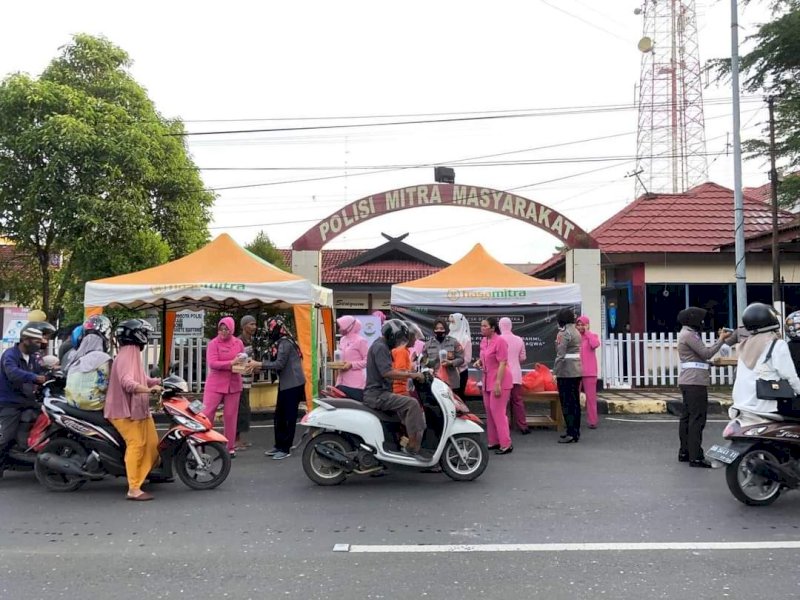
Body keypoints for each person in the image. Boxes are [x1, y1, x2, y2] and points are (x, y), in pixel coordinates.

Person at [104, 319, 161, 501]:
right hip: (123, 410)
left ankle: (143, 475)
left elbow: (141, 377)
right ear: (137, 334)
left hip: (137, 408)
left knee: (152, 443)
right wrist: (148, 389)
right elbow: (128, 383)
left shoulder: (132, 353)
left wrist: (159, 382)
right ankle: (133, 488)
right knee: (137, 444)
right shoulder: (127, 354)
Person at [676, 306, 731, 468]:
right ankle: (696, 456)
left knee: (687, 417)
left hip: (689, 380)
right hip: (695, 382)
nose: (702, 322)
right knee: (697, 419)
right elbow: (706, 353)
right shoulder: (689, 335)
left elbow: (698, 358)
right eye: (700, 319)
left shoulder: (686, 333)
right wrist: (721, 339)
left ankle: (685, 452)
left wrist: (711, 364)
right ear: (693, 320)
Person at [363, 319, 427, 455]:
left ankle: (401, 441)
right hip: (378, 395)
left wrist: (409, 374)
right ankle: (413, 445)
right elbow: (387, 373)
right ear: (391, 336)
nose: (399, 343)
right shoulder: (380, 347)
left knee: (405, 408)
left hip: (381, 392)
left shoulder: (381, 346)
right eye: (399, 339)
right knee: (412, 404)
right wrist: (413, 375)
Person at [251, 316, 306, 461]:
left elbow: (279, 364)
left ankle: (285, 447)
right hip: (287, 383)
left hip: (292, 384)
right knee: (279, 416)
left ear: (276, 328)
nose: (269, 331)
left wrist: (259, 364)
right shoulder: (282, 341)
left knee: (288, 417)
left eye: (270, 328)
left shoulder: (285, 343)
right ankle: (279, 445)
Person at [732, 303, 800, 417]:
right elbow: (789, 376)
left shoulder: (744, 345)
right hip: (764, 405)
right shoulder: (777, 344)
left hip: (740, 405)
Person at [0, 326, 46, 476]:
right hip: (10, 402)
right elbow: (13, 373)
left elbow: (40, 372)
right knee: (7, 436)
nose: (39, 344)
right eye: (36, 341)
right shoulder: (10, 355)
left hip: (27, 400)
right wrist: (34, 378)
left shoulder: (33, 357)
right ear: (26, 340)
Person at [202, 317, 245, 458]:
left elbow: (242, 360)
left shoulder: (238, 343)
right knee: (207, 414)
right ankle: (202, 442)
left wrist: (244, 365)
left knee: (230, 416)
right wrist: (231, 363)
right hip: (215, 383)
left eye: (226, 329)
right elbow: (213, 363)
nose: (223, 332)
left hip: (234, 383)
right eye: (221, 329)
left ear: (232, 329)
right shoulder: (213, 344)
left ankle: (230, 447)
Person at [475, 317, 513, 454]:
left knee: (498, 412)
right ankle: (494, 441)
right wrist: (479, 362)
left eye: (485, 326)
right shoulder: (484, 341)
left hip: (500, 380)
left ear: (492, 328)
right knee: (489, 412)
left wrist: (498, 382)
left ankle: (506, 443)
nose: (482, 328)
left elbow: (503, 362)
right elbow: (485, 357)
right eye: (481, 325)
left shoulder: (500, 341)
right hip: (486, 380)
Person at [65, 315, 113, 411]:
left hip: (72, 403)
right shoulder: (103, 358)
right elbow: (104, 386)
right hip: (93, 405)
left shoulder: (74, 356)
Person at [554, 308, 582, 444]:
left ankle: (571, 432)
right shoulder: (575, 331)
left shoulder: (563, 333)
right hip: (577, 370)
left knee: (567, 403)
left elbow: (560, 355)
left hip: (566, 371)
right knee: (575, 402)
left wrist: (555, 372)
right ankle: (575, 430)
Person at [499, 317, 530, 435]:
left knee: (502, 402)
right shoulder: (519, 339)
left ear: (501, 326)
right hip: (516, 374)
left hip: (502, 374)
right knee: (517, 400)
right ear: (511, 326)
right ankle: (523, 426)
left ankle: (504, 426)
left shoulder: (498, 339)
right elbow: (523, 358)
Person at [421, 319, 464, 391]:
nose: (439, 330)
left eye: (441, 328)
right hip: (435, 380)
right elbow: (423, 360)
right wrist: (428, 369)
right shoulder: (428, 344)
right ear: (434, 330)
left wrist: (451, 362)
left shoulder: (453, 342)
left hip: (451, 380)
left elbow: (461, 359)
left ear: (445, 329)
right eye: (437, 328)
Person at [235, 315, 257, 451]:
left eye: (255, 324)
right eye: (251, 324)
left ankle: (238, 438)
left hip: (248, 379)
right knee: (241, 409)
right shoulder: (238, 341)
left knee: (245, 409)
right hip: (239, 380)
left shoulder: (252, 340)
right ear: (244, 326)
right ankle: (235, 440)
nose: (254, 327)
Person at [575, 315, 601, 429]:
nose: (580, 327)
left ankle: (592, 421)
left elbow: (595, 344)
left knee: (591, 398)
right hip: (575, 371)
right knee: (574, 398)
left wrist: (588, 332)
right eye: (578, 324)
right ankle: (574, 421)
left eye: (583, 324)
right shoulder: (575, 338)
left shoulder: (592, 336)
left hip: (590, 372)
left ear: (587, 325)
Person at [335, 316, 368, 401]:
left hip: (355, 385)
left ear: (348, 326)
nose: (339, 330)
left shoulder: (361, 341)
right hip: (340, 382)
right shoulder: (342, 340)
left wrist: (352, 365)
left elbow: (368, 361)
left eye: (340, 327)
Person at [448, 313, 472, 398]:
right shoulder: (449, 336)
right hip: (448, 372)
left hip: (461, 372)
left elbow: (467, 359)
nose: (452, 324)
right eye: (451, 322)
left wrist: (454, 363)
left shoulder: (465, 339)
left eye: (454, 322)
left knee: (459, 397)